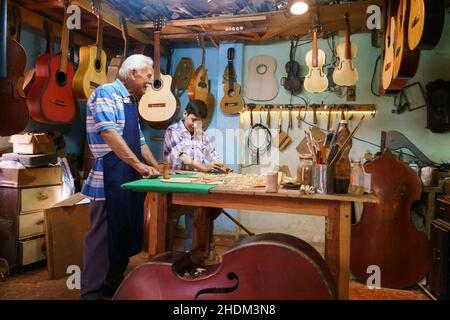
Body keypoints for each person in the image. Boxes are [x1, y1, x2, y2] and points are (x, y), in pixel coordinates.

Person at [80, 54, 160, 300]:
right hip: (109, 176)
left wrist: (157, 168)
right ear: (133, 73)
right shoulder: (105, 93)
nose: (150, 80)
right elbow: (109, 133)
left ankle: (111, 288)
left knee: (124, 232)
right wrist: (138, 165)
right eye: (148, 75)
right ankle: (91, 294)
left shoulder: (130, 100)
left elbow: (140, 139)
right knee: (102, 238)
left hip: (129, 175)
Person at [164, 100, 232, 251]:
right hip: (175, 183)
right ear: (185, 114)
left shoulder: (200, 133)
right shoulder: (172, 130)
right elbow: (181, 156)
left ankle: (192, 259)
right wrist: (204, 167)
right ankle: (164, 262)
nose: (195, 125)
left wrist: (223, 166)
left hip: (196, 184)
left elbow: (213, 154)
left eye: (199, 122)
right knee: (168, 226)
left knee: (195, 225)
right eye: (193, 120)